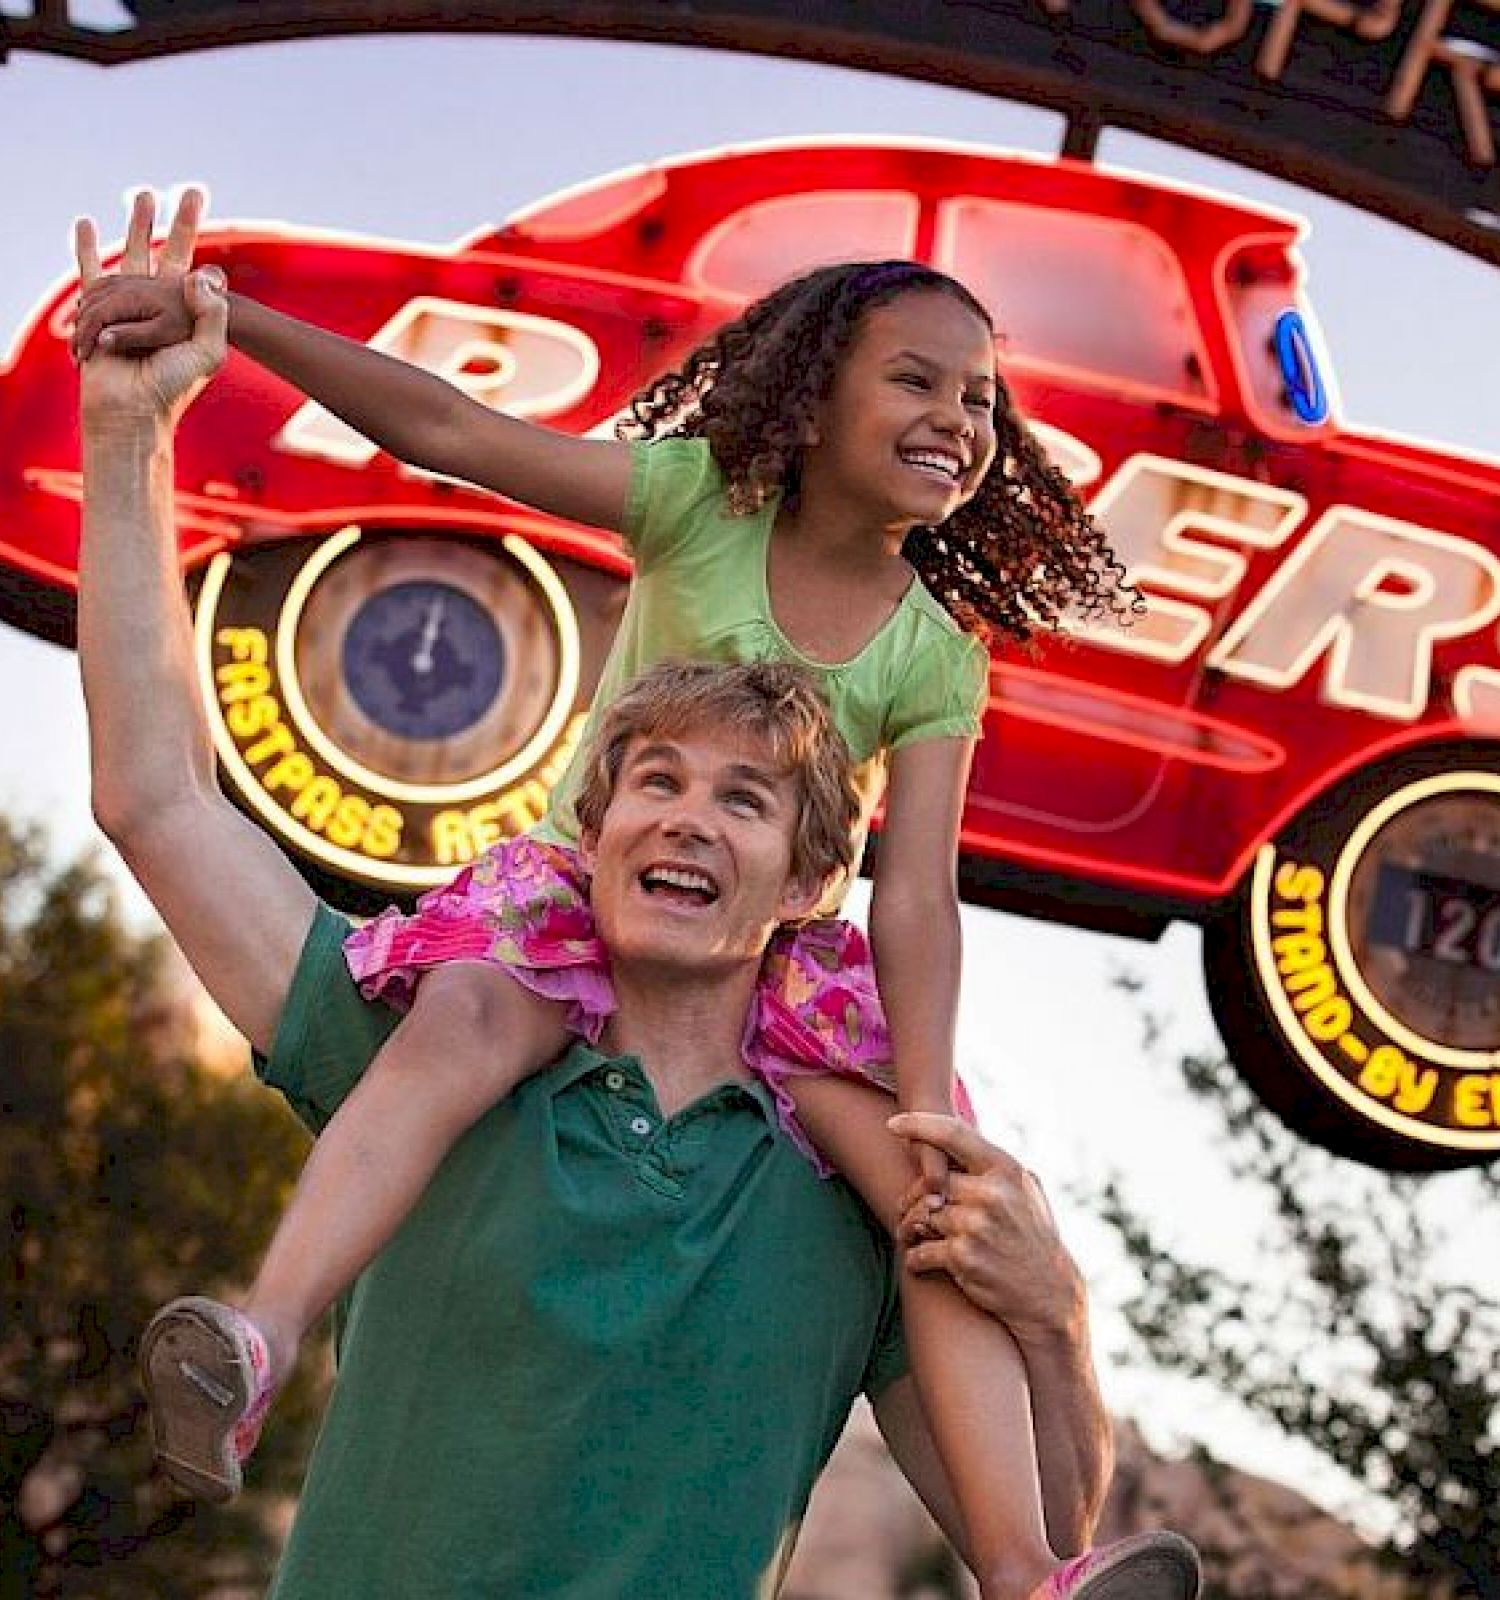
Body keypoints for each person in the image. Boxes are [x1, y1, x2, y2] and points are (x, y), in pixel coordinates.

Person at [75, 193, 1196, 1600]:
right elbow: (159, 791)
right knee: (475, 1022)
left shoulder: (846, 1197)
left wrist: (1051, 1307)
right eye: (655, 781)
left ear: (806, 872)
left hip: (828, 1061)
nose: (686, 816)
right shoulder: (437, 1048)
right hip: (516, 979)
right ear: (596, 817)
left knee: (942, 1217)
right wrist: (174, 389)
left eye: (744, 799)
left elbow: (921, 905)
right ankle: (262, 1338)